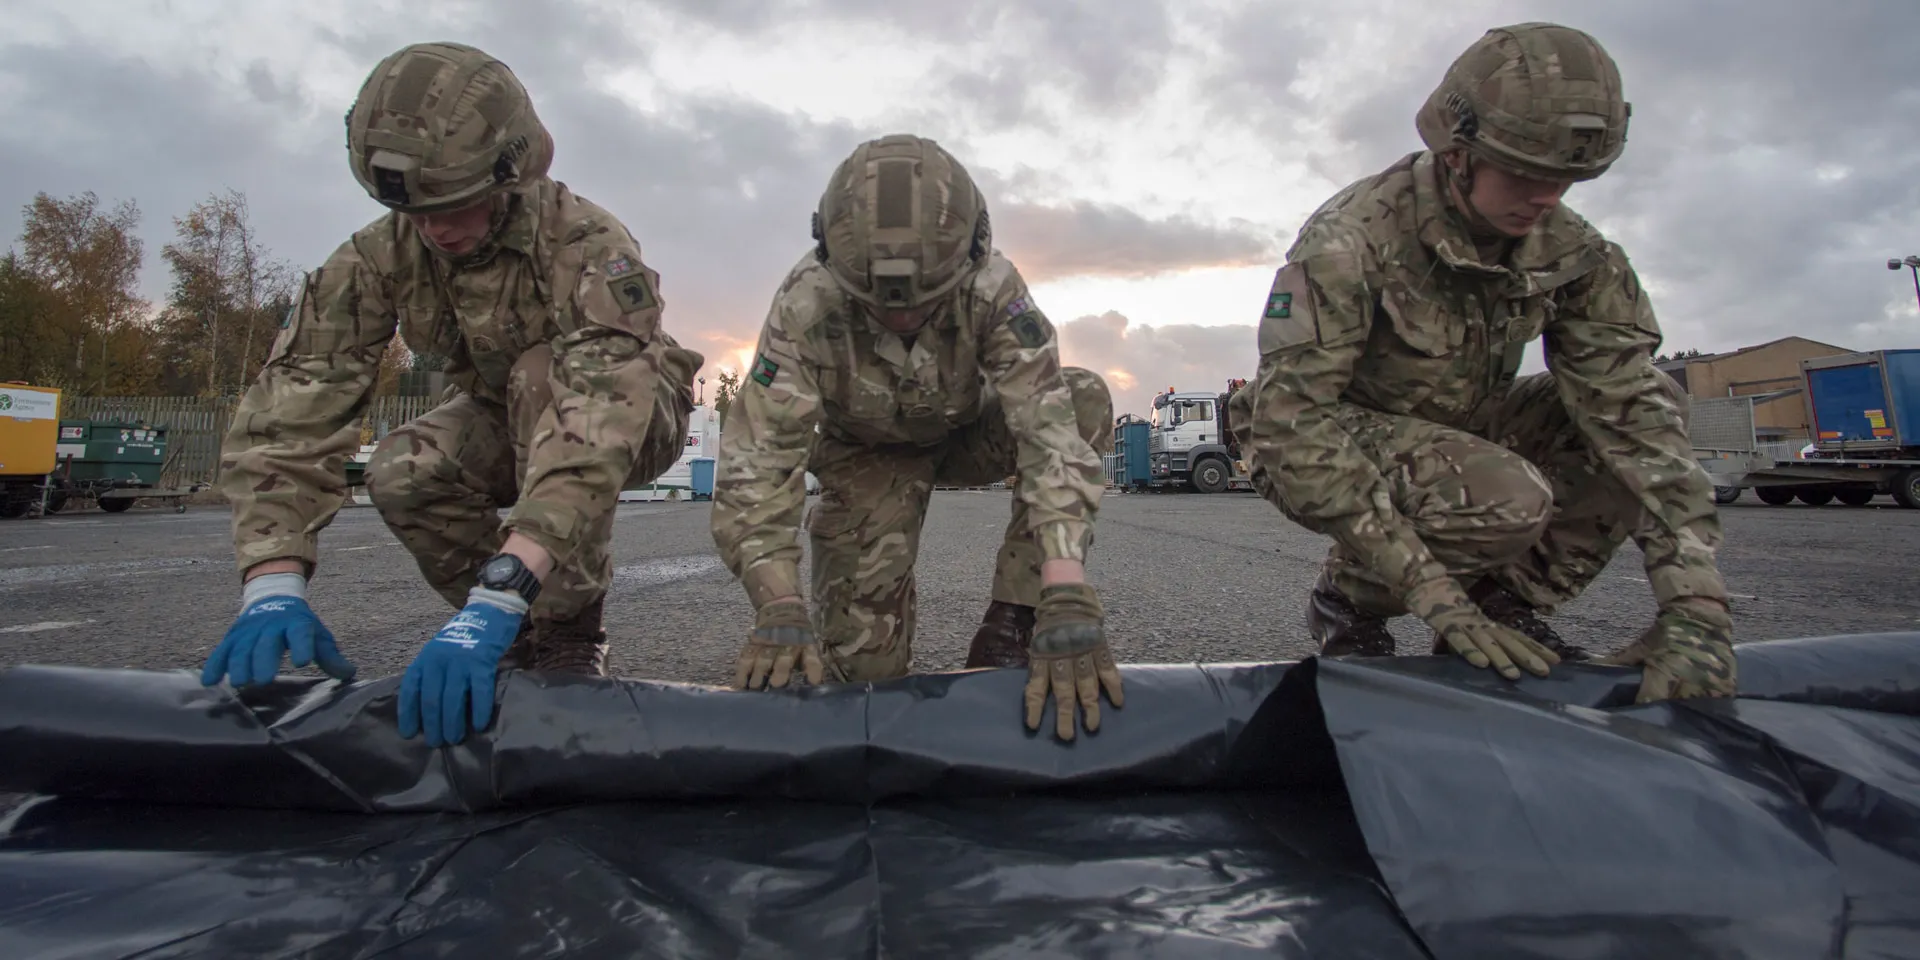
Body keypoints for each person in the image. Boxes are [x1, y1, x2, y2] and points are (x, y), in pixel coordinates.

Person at [201, 41, 703, 746]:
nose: (437, 230)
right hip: (508, 415)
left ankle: (563, 629)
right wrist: (270, 579)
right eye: (417, 212)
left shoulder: (585, 243)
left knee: (538, 375)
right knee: (402, 468)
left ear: (510, 172)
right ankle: (519, 642)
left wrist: (499, 592)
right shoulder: (379, 256)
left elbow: (593, 421)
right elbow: (296, 400)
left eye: (456, 205)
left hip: (630, 417)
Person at [1228, 21, 1737, 702]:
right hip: (1320, 433)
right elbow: (1293, 425)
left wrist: (1695, 610)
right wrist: (1434, 596)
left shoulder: (1574, 255)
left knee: (1658, 402)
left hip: (1465, 427)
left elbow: (1634, 420)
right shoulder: (1350, 242)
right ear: (1457, 152)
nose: (1548, 197)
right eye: (1528, 174)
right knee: (1504, 499)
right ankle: (1349, 600)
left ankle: (1508, 605)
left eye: (1567, 179)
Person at [711, 133, 1124, 740]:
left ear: (973, 253)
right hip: (867, 456)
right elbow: (758, 460)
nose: (903, 318)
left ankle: (1015, 616)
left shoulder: (994, 287)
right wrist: (777, 603)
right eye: (880, 305)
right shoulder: (807, 304)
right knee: (862, 681)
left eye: (922, 304)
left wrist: (1064, 589)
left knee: (1083, 394)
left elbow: (1049, 433)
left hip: (967, 433)